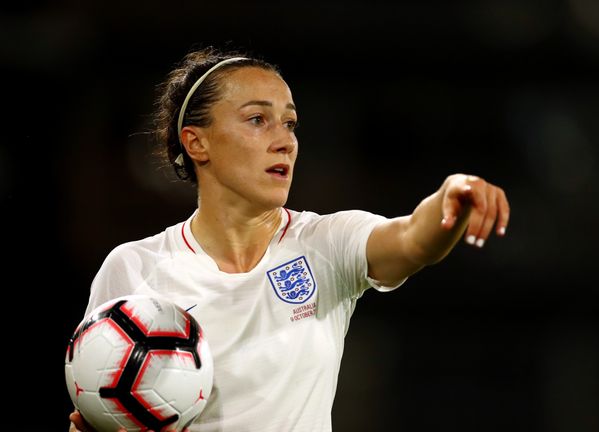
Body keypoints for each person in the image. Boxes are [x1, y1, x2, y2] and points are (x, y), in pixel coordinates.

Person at [68, 46, 509, 432]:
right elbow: (99, 406)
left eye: (290, 123)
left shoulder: (325, 244)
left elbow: (412, 238)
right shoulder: (134, 268)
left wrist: (452, 195)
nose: (285, 142)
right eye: (258, 120)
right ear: (196, 143)